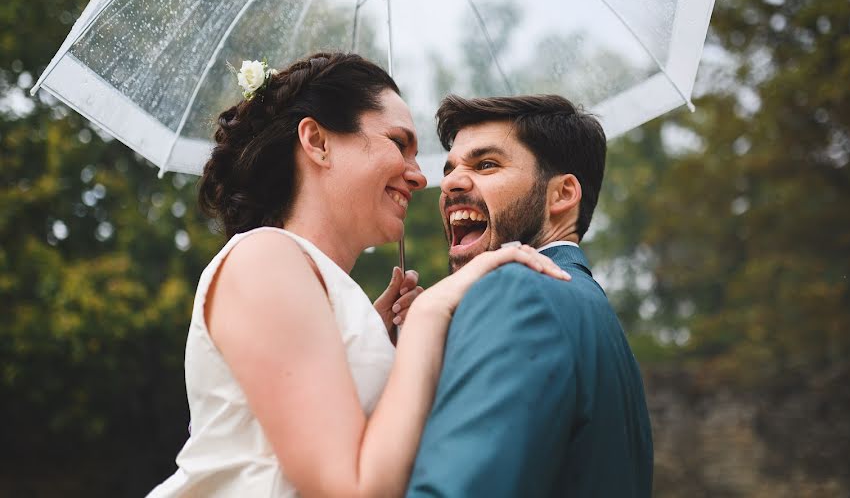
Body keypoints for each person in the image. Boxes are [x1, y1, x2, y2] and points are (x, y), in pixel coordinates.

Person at [146, 53, 570, 498]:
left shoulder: (319, 284)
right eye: (398, 143)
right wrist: (430, 313)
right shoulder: (264, 257)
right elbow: (353, 489)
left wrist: (376, 344)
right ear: (317, 141)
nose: (421, 177)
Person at [406, 94, 654, 497]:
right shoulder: (592, 310)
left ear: (562, 195)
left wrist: (426, 313)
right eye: (449, 168)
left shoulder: (521, 294)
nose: (449, 181)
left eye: (486, 164)